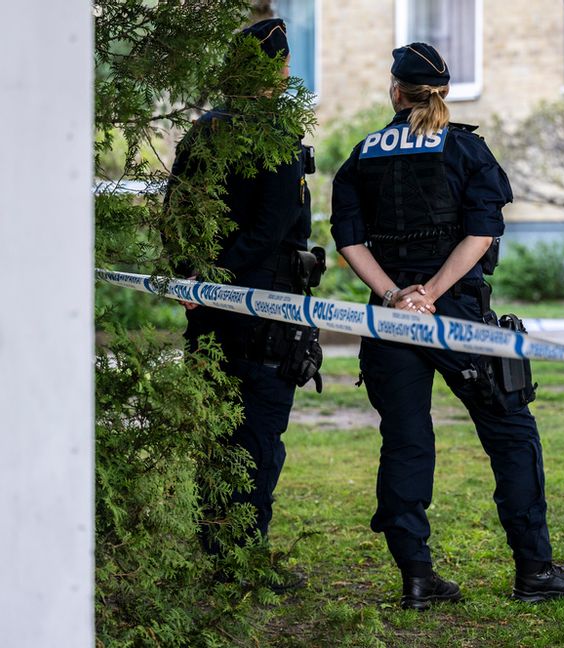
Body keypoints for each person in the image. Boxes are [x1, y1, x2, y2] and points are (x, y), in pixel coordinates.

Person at [330, 42, 564, 609]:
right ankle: (534, 571)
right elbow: (482, 232)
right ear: (443, 93)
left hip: (390, 317)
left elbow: (348, 240)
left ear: (396, 92)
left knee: (405, 441)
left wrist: (397, 296)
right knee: (511, 430)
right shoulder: (466, 148)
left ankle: (417, 579)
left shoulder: (363, 154)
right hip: (458, 315)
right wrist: (432, 294)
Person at [166, 18, 319, 578]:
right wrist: (216, 279)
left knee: (216, 427)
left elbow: (175, 214)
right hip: (262, 309)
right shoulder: (274, 136)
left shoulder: (202, 132)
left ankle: (216, 548)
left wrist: (192, 278)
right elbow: (271, 231)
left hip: (207, 308)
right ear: (276, 72)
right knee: (257, 433)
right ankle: (244, 557)